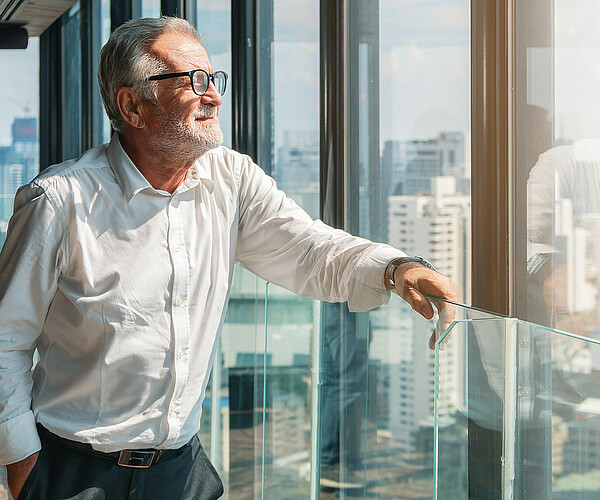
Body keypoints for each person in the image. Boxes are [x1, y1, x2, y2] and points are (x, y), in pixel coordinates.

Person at [0, 17, 458, 500]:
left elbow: (310, 249)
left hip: (183, 471)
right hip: (75, 473)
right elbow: (5, 339)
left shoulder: (231, 178)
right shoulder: (59, 201)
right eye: (192, 81)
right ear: (132, 105)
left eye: (212, 80)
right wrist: (22, 463)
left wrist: (396, 267)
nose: (213, 96)